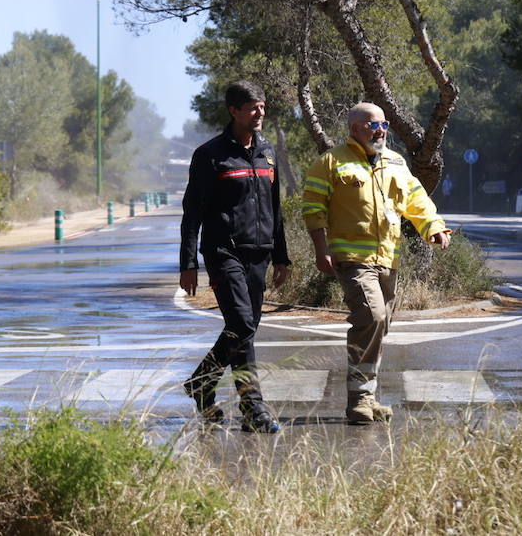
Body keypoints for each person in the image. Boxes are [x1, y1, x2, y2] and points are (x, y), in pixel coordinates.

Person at [301, 103, 451, 425]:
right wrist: (320, 248)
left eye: (383, 125)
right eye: (372, 125)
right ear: (355, 128)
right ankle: (357, 402)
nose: (380, 130)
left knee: (379, 328)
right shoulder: (331, 162)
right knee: (372, 316)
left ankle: (367, 398)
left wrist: (434, 226)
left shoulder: (395, 162)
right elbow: (313, 206)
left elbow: (416, 200)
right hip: (352, 260)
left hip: (388, 259)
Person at [179, 80, 291, 432]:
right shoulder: (210, 155)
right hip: (222, 251)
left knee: (245, 330)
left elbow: (275, 208)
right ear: (234, 111)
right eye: (252, 108)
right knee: (242, 324)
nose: (259, 114)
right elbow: (192, 212)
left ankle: (216, 393)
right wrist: (188, 264)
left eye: (262, 106)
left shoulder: (267, 151)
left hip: (259, 253)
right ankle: (251, 404)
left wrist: (282, 256)